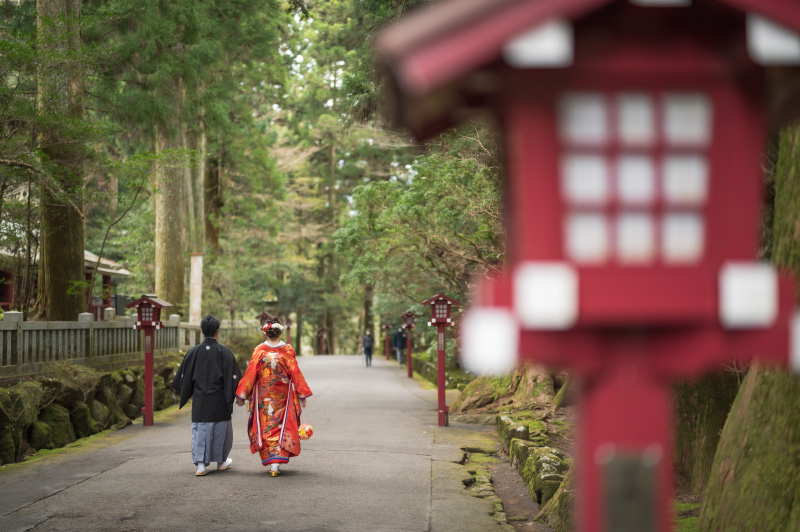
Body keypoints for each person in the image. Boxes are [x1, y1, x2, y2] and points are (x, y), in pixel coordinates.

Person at [235, 315, 312, 477]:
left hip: (263, 397)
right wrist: (302, 393)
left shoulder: (259, 351)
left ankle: (273, 463)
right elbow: (295, 373)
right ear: (280, 332)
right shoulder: (287, 350)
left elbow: (250, 374)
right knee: (281, 425)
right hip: (282, 396)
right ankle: (276, 463)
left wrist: (242, 395)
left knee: (267, 427)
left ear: (265, 332)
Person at [171, 315, 242, 476]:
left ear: (202, 331)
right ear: (217, 331)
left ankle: (201, 466)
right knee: (221, 431)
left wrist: (186, 392)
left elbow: (184, 377)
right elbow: (234, 378)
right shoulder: (225, 352)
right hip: (220, 402)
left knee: (200, 432)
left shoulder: (193, 352)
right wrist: (239, 396)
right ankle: (221, 461)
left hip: (200, 402)